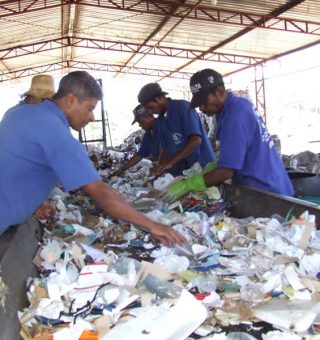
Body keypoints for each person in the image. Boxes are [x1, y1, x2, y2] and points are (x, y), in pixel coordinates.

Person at [0, 71, 186, 247]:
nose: (92, 117)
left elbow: (16, 164)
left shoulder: (17, 112)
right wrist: (153, 225)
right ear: (71, 100)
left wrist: (34, 202)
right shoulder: (57, 134)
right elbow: (101, 193)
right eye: (90, 108)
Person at [162, 68, 294, 202]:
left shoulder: (234, 115)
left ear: (219, 91)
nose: (201, 108)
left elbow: (227, 171)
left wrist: (188, 184)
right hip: (268, 184)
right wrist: (218, 161)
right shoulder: (236, 106)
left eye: (204, 101)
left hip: (267, 191)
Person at [137, 83, 215, 177]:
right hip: (186, 171)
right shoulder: (161, 120)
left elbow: (195, 140)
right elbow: (165, 149)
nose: (151, 111)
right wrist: (160, 166)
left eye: (150, 107)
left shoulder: (182, 107)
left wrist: (170, 163)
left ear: (159, 99)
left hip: (203, 166)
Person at [110, 104, 161, 177]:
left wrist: (160, 164)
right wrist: (122, 169)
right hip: (162, 167)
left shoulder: (162, 126)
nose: (140, 125)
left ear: (147, 117)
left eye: (140, 122)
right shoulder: (149, 133)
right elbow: (140, 154)